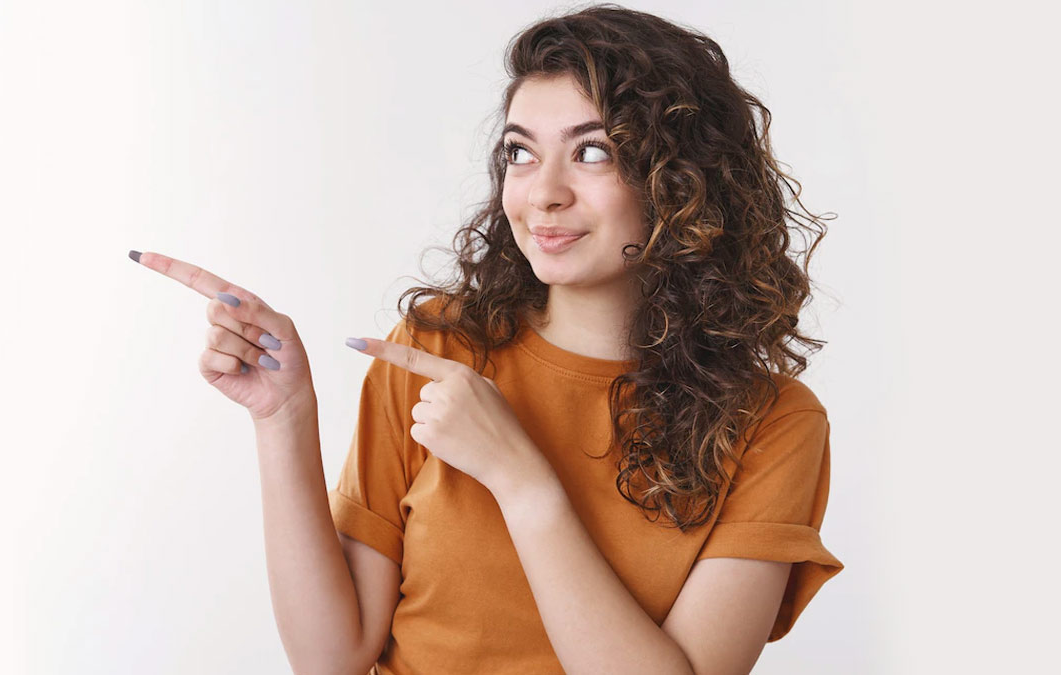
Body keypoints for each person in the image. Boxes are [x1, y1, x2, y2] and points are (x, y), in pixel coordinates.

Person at [130, 4, 841, 674]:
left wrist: (522, 481)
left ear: (683, 179)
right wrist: (282, 417)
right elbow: (333, 655)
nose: (543, 193)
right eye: (521, 153)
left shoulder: (773, 424)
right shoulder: (435, 349)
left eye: (592, 152)